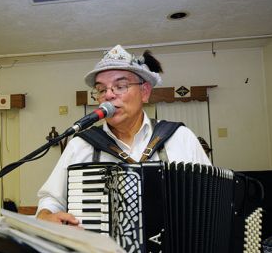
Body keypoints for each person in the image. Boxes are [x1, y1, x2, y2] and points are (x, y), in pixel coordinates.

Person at [36, 45, 211, 225]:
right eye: (102, 89)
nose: (109, 95)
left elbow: (210, 197)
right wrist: (45, 216)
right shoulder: (81, 145)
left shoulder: (181, 138)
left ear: (144, 92)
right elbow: (52, 200)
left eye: (120, 86)